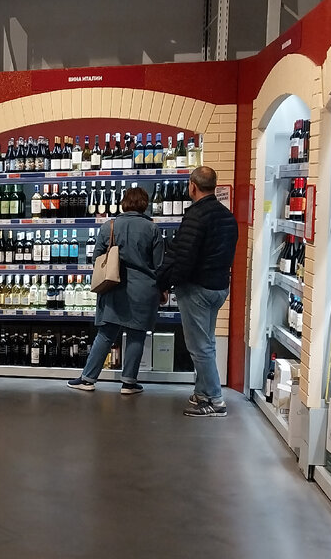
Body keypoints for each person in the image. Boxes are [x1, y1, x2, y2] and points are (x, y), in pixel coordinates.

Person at [156, 166, 239, 417]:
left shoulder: (195, 216)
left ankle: (215, 400)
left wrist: (164, 284)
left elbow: (182, 257)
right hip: (219, 288)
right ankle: (202, 392)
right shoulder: (227, 216)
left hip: (197, 290)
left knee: (200, 347)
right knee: (208, 343)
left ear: (192, 186)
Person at [68, 186, 164, 395]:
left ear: (124, 203)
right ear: (144, 204)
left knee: (105, 334)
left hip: (113, 287)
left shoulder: (109, 226)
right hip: (143, 290)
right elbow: (159, 264)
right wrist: (163, 290)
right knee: (136, 336)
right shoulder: (152, 229)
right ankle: (129, 383)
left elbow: (97, 258)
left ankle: (88, 379)